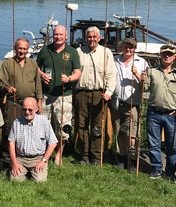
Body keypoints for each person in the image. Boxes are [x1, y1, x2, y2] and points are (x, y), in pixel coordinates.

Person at [135, 45, 176, 180]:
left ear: (174, 57)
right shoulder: (151, 71)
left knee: (172, 145)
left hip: (172, 115)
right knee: (153, 143)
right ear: (160, 55)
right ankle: (157, 168)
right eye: (164, 54)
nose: (167, 56)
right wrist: (141, 80)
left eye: (170, 54)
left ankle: (170, 172)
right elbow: (144, 89)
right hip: (154, 113)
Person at [36, 25, 81, 165]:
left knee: (63, 127)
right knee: (43, 125)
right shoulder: (45, 50)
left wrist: (69, 78)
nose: (58, 37)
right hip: (46, 95)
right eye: (56, 34)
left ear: (66, 36)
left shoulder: (72, 52)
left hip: (64, 95)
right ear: (52, 36)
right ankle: (43, 153)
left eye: (61, 34)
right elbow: (36, 67)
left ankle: (59, 154)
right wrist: (41, 74)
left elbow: (78, 72)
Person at [0, 38, 42, 169]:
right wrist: (7, 88)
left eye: (24, 49)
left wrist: (39, 101)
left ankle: (27, 156)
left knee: (29, 131)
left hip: (30, 106)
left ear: (28, 49)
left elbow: (38, 84)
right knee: (10, 129)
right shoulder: (7, 64)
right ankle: (7, 159)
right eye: (20, 48)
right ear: (15, 48)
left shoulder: (33, 64)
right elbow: (1, 81)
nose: (22, 51)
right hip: (13, 103)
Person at [75, 26, 115, 166]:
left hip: (99, 93)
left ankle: (96, 156)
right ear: (86, 38)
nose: (92, 39)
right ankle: (84, 155)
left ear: (99, 38)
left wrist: (109, 92)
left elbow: (111, 74)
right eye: (89, 37)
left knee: (97, 126)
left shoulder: (106, 52)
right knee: (81, 125)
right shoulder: (79, 51)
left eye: (94, 37)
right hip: (81, 92)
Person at [110, 38, 149, 169]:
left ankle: (132, 160)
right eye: (126, 47)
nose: (128, 49)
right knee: (120, 132)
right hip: (116, 102)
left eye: (131, 48)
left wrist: (137, 74)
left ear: (135, 49)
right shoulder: (114, 60)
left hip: (132, 103)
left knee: (132, 134)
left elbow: (145, 85)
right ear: (122, 47)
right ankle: (123, 157)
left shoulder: (141, 62)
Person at [8, 97, 58, 182]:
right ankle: (24, 172)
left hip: (37, 158)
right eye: (24, 109)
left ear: (36, 109)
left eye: (30, 110)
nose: (27, 112)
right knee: (14, 180)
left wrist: (43, 161)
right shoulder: (17, 122)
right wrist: (15, 163)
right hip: (21, 158)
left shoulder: (44, 121)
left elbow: (53, 143)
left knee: (39, 181)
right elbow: (11, 142)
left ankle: (35, 171)